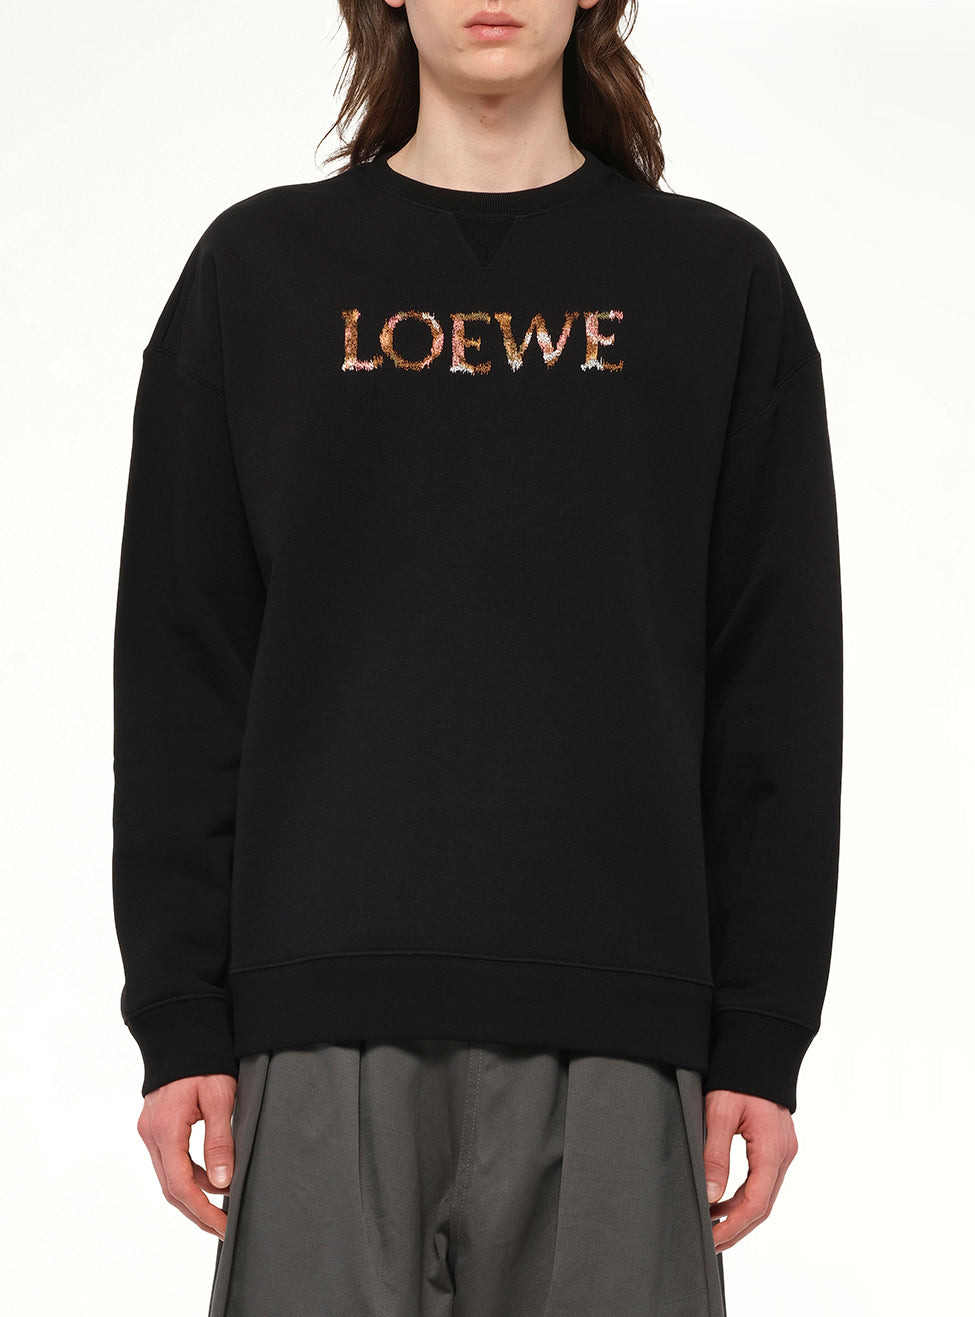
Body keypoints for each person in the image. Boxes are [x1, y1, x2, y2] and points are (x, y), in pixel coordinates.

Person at [112, 1, 843, 1312]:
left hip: (623, 1019)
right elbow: (183, 667)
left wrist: (762, 1034)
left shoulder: (715, 284)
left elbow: (775, 683)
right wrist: (178, 1017)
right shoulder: (259, 272)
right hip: (319, 1014)